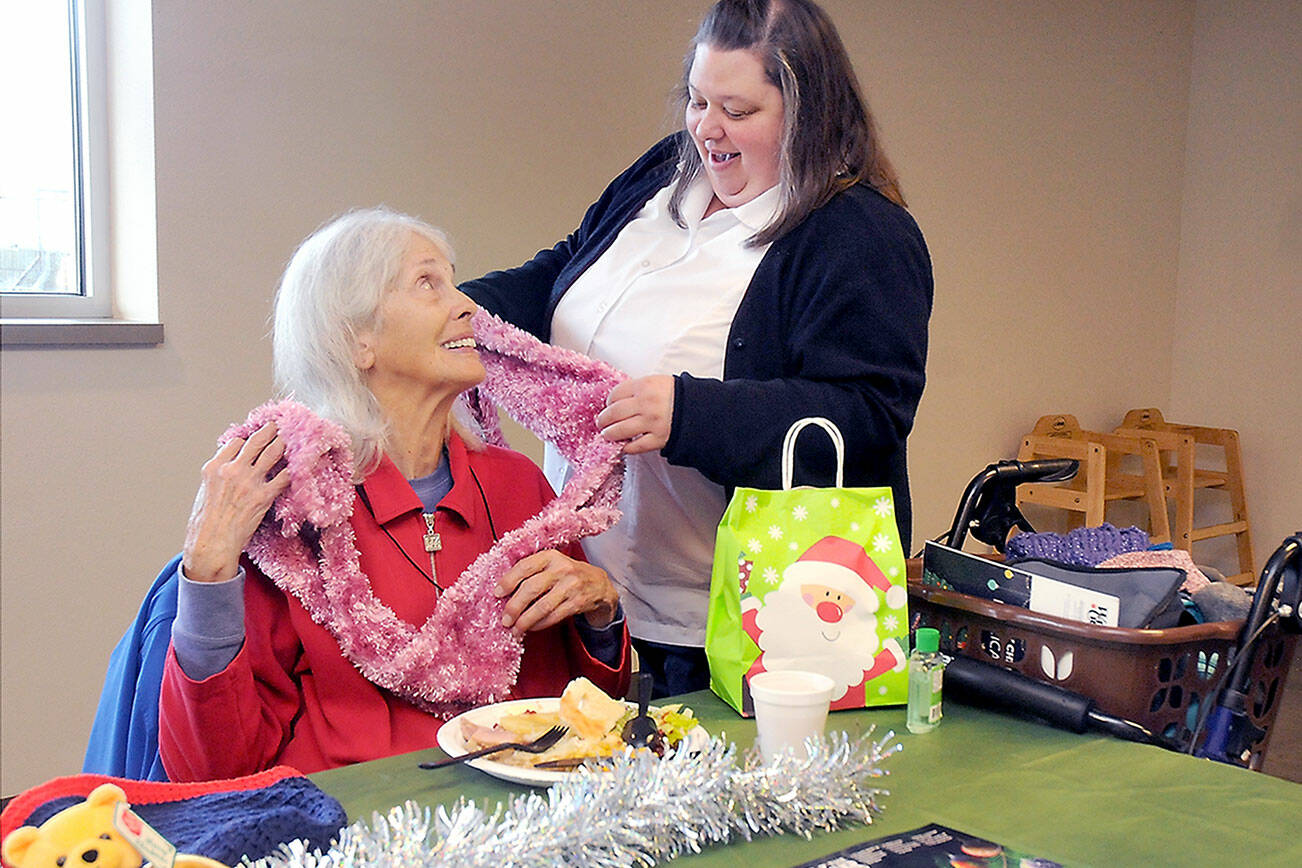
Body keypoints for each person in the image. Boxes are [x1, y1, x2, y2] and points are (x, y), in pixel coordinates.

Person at [461, 0, 932, 698]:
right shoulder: (666, 173)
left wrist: (690, 414)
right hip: (592, 603)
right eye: (695, 99)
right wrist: (459, 310)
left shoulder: (861, 235)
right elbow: (565, 274)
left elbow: (865, 417)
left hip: (725, 635)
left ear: (807, 112)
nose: (707, 128)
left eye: (737, 111)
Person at [158, 208, 630, 781]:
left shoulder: (517, 485)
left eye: (454, 281)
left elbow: (577, 718)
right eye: (428, 283)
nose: (468, 306)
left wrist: (601, 618)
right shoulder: (293, 511)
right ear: (358, 341)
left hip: (516, 815)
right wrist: (207, 573)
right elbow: (212, 767)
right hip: (351, 819)